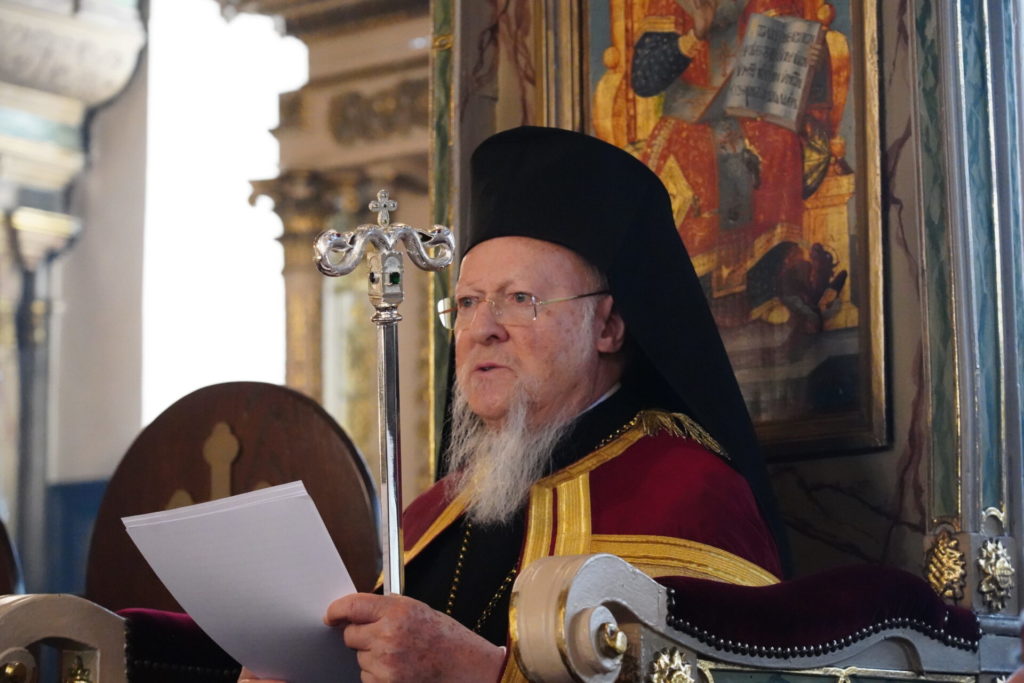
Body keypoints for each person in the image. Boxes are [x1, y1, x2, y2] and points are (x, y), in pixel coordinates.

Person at [240, 125, 786, 683]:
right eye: (469, 302)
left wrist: (479, 672)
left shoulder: (689, 494)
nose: (482, 329)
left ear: (610, 326)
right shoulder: (432, 515)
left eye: (519, 300)